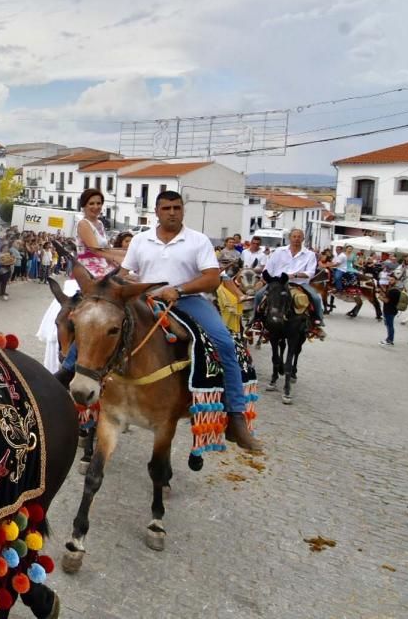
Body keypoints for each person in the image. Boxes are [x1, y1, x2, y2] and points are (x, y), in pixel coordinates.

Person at [120, 191, 262, 451]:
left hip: (187, 300)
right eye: (166, 208)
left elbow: (212, 278)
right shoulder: (140, 240)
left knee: (225, 343)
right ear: (157, 211)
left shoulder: (197, 240)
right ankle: (75, 378)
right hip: (145, 300)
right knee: (102, 328)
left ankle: (235, 416)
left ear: (183, 210)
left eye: (176, 207)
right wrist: (128, 281)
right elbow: (124, 272)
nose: (172, 212)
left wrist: (180, 290)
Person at [255, 229, 325, 334]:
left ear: (303, 239)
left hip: (299, 283)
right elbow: (268, 268)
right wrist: (263, 279)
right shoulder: (279, 251)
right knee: (259, 295)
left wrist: (294, 275)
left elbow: (310, 272)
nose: (296, 239)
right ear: (290, 238)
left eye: (299, 237)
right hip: (278, 282)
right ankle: (256, 320)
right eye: (294, 236)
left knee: (316, 298)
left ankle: (317, 322)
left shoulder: (309, 254)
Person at [74, 188, 122, 279]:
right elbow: (95, 250)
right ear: (84, 206)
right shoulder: (83, 224)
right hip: (89, 267)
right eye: (91, 203)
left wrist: (127, 253)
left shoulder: (99, 223)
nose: (96, 207)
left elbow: (107, 248)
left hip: (102, 263)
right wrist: (118, 258)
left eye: (99, 203)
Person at [379, 277, 402, 347]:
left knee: (390, 326)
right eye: (389, 279)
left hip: (390, 310)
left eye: (392, 280)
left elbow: (387, 300)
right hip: (390, 309)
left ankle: (390, 340)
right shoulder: (392, 289)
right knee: (388, 325)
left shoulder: (394, 291)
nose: (389, 281)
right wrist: (382, 293)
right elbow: (388, 297)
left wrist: (380, 298)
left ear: (396, 281)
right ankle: (388, 339)